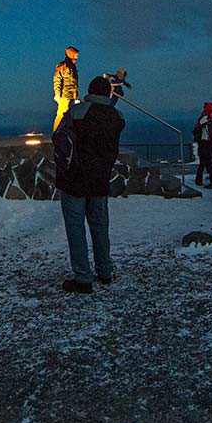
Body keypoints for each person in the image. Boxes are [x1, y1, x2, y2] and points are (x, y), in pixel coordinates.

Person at [55, 76, 126, 293]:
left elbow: (59, 137)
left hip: (75, 180)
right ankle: (105, 271)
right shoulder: (117, 116)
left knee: (76, 228)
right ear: (107, 94)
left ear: (90, 90)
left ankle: (83, 278)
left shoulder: (78, 112)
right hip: (100, 180)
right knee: (100, 226)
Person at [193, 102, 212, 188]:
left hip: (205, 142)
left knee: (204, 162)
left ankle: (201, 180)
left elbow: (198, 126)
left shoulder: (205, 118)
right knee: (211, 162)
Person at [53, 46, 80, 130]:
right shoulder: (62, 66)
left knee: (71, 116)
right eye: (76, 55)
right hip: (65, 96)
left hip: (73, 96)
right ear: (71, 54)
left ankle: (66, 133)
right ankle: (56, 133)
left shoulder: (73, 66)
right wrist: (57, 95)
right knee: (61, 115)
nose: (77, 57)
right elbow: (57, 80)